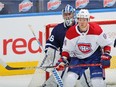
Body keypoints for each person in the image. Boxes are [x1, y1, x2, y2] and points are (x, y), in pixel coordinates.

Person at [56, 9, 112, 87]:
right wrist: (63, 60)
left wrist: (106, 54)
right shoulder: (71, 32)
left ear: (88, 20)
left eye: (84, 19)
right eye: (80, 19)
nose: (82, 22)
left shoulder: (96, 29)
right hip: (77, 57)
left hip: (94, 56)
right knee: (70, 78)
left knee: (97, 82)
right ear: (77, 19)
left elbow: (107, 44)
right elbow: (66, 50)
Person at [41, 5, 92, 87]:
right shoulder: (58, 29)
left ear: (74, 14)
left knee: (88, 80)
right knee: (56, 80)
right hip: (66, 61)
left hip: (82, 61)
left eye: (70, 14)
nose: (68, 16)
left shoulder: (82, 27)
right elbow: (51, 45)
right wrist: (49, 53)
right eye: (66, 14)